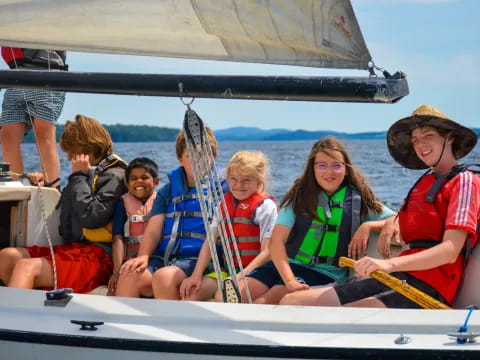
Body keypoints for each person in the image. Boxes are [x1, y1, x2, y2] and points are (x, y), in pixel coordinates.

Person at [280, 105, 480, 309]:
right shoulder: (423, 184)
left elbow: (450, 250)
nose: (420, 145)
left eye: (428, 136)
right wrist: (376, 225)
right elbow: (409, 220)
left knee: (345, 313)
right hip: (399, 276)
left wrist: (388, 264)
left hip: (429, 286)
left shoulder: (465, 181)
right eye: (415, 140)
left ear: (449, 137)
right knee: (292, 301)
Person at [246, 136, 395, 304]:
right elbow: (276, 242)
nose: (329, 172)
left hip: (325, 273)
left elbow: (396, 218)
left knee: (265, 301)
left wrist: (369, 225)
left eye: (336, 166)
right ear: (313, 168)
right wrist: (289, 280)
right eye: (322, 165)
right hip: (285, 266)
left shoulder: (358, 201)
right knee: (234, 295)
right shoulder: (299, 197)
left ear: (346, 169)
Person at [0, 115, 127, 293]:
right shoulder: (87, 175)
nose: (69, 159)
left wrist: (78, 177)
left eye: (72, 153)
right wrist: (47, 185)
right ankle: (32, 311)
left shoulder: (115, 175)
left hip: (100, 256)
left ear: (85, 149)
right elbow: (73, 206)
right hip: (76, 248)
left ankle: (11, 319)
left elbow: (91, 218)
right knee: (7, 256)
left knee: (27, 267)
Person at [116, 127, 222, 299]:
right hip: (165, 258)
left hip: (199, 261)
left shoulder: (222, 189)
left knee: (164, 277)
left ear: (213, 157)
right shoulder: (168, 191)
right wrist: (143, 256)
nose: (198, 161)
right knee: (129, 273)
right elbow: (154, 229)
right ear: (180, 159)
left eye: (204, 155)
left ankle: (170, 326)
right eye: (190, 156)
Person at [179, 151, 277, 302]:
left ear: (259, 181)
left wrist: (242, 275)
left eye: (246, 180)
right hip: (228, 271)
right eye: (234, 179)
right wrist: (196, 275)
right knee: (191, 294)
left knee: (223, 296)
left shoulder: (265, 207)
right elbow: (210, 243)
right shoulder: (223, 204)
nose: (239, 185)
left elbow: (268, 252)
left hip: (257, 272)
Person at [0, 47, 68, 188]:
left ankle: (52, 187)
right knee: (7, 135)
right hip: (15, 75)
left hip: (47, 71)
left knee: (43, 132)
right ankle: (14, 186)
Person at [107, 157, 159, 295]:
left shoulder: (161, 202)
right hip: (130, 260)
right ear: (127, 184)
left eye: (144, 177)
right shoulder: (122, 204)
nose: (139, 181)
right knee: (114, 288)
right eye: (133, 178)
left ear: (156, 182)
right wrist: (117, 271)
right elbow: (118, 238)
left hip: (156, 259)